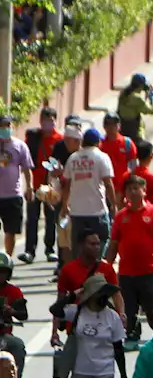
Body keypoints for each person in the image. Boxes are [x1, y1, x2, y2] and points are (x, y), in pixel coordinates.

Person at [106, 175, 153, 348]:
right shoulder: (121, 217)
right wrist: (106, 266)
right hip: (127, 273)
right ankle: (132, 336)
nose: (133, 192)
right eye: (129, 189)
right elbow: (113, 244)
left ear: (144, 191)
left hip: (150, 271)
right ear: (125, 194)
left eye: (137, 188)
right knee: (128, 308)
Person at [61, 127, 117, 257]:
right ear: (97, 142)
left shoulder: (73, 158)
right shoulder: (102, 157)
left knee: (78, 245)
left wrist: (65, 205)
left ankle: (80, 271)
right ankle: (96, 266)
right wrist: (114, 205)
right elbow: (108, 184)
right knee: (103, 239)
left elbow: (67, 185)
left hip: (77, 212)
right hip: (97, 211)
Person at [20, 107, 61, 263]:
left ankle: (49, 249)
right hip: (35, 185)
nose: (48, 124)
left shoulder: (60, 140)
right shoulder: (33, 138)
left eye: (51, 120)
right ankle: (29, 251)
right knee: (32, 219)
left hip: (52, 186)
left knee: (51, 218)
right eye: (45, 120)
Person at [0, 114, 34, 256]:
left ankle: (7, 260)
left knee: (11, 231)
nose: (6, 129)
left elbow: (27, 169)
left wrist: (30, 188)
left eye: (8, 126)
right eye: (2, 126)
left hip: (13, 195)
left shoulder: (20, 146)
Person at [117, 73, 153, 142]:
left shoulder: (123, 94)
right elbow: (151, 111)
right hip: (134, 133)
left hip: (122, 130)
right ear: (141, 85)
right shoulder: (137, 99)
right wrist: (151, 99)